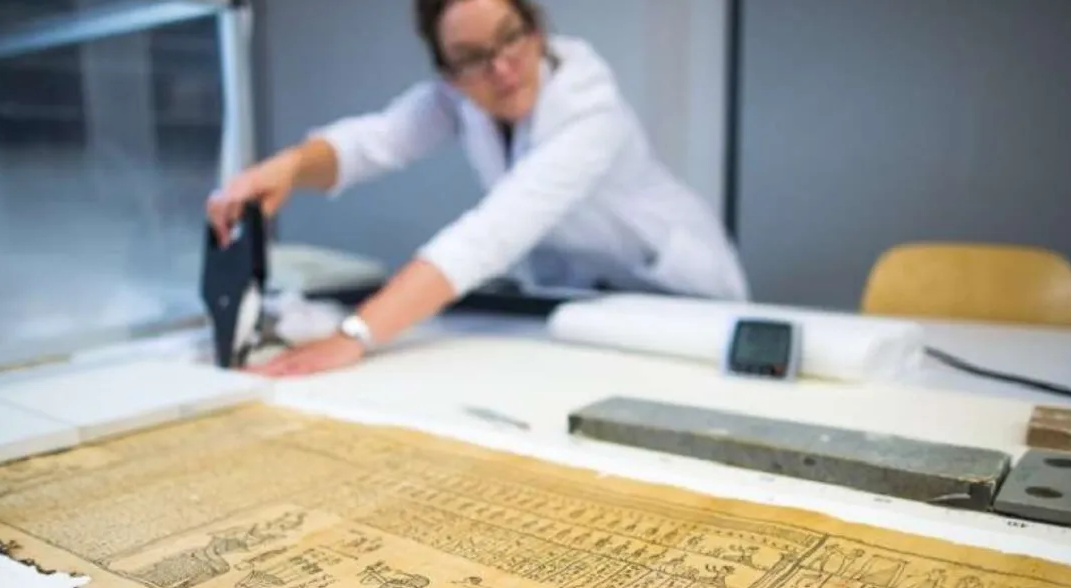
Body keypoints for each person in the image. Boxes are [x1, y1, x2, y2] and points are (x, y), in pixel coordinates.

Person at [207, 0, 750, 377]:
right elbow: (375, 141)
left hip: (677, 290)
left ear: (535, 29)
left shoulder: (589, 107)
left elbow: (492, 233)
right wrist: (286, 168)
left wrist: (354, 336)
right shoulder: (458, 97)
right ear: (447, 71)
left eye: (510, 37)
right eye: (471, 58)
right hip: (582, 298)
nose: (502, 70)